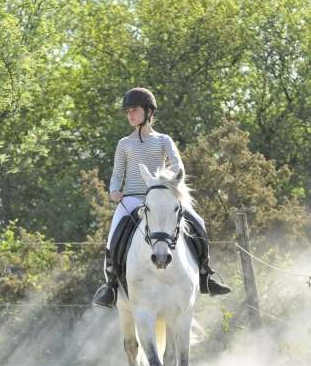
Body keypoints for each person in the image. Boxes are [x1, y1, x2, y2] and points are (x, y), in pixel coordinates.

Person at [93, 87, 231, 309]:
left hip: (162, 198)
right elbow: (118, 173)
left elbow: (178, 164)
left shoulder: (163, 140)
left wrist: (175, 180)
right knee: (112, 236)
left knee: (200, 223)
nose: (130, 114)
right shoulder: (124, 143)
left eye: (134, 110)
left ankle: (206, 275)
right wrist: (113, 190)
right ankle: (111, 286)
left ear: (148, 111)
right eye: (128, 111)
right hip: (132, 199)